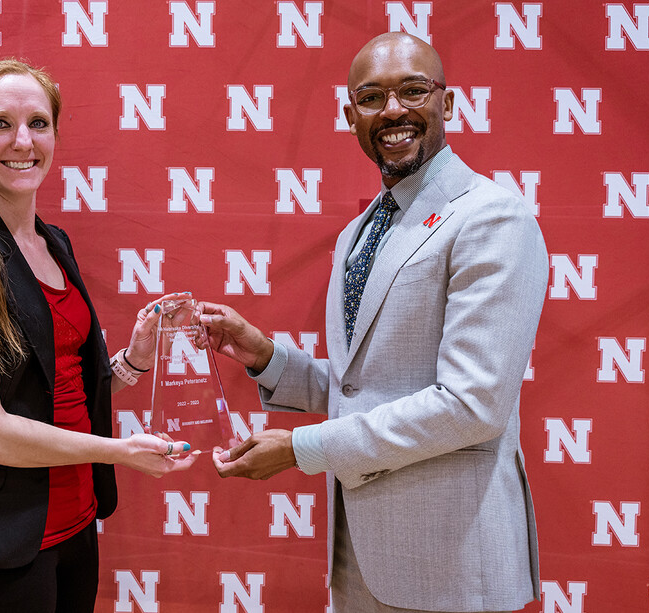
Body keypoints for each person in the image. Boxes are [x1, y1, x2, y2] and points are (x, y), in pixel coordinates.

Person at [198, 33, 547, 613]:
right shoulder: (358, 232)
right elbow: (367, 387)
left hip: (451, 567)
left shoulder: (492, 217)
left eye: (413, 91)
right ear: (349, 114)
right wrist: (264, 355)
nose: (392, 111)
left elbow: (472, 406)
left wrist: (302, 447)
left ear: (449, 103)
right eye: (371, 97)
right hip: (357, 560)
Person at [0, 59, 197, 613]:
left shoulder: (53, 241)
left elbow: (53, 393)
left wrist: (135, 359)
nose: (22, 141)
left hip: (73, 526)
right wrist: (120, 452)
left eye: (38, 122)